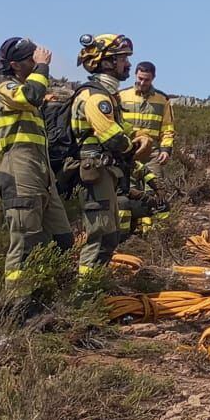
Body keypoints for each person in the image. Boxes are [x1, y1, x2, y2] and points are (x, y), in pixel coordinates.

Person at [0, 37, 74, 286]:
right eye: (30, 60)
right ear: (15, 65)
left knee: (62, 240)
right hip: (19, 169)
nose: (35, 63)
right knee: (24, 242)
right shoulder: (4, 88)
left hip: (40, 171)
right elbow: (31, 96)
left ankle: (49, 292)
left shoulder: (28, 94)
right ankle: (18, 305)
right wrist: (43, 67)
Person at [69, 33, 145, 282]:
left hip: (105, 173)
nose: (128, 64)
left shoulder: (108, 97)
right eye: (122, 58)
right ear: (107, 62)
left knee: (109, 237)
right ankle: (84, 299)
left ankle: (93, 293)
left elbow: (120, 131)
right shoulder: (96, 97)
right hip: (96, 172)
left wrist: (139, 136)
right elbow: (112, 137)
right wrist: (132, 147)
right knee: (100, 237)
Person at [118, 60, 176, 230]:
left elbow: (168, 128)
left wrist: (166, 149)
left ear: (153, 78)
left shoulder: (162, 99)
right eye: (140, 78)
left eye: (147, 80)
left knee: (157, 188)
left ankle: (157, 230)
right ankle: (131, 231)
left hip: (153, 153)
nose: (142, 83)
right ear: (135, 75)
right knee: (130, 190)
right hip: (129, 151)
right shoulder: (122, 96)